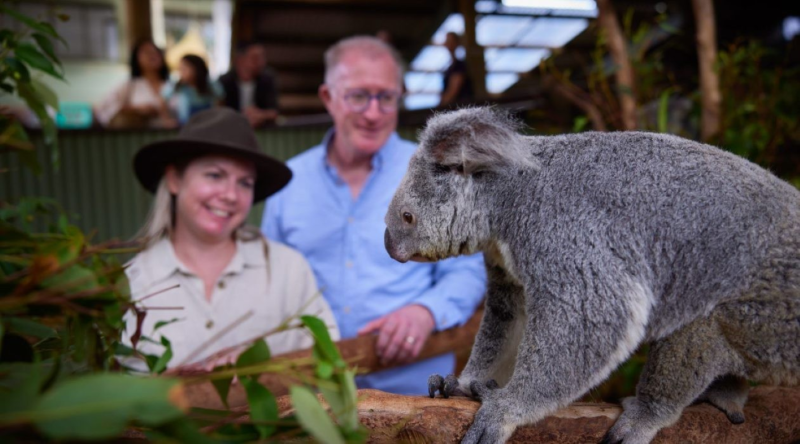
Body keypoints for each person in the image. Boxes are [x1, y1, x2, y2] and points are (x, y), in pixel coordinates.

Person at [261, 36, 486, 395]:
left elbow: (466, 269)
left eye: (386, 97)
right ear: (328, 98)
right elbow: (269, 284)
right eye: (358, 96)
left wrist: (427, 311)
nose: (372, 112)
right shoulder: (289, 184)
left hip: (413, 394)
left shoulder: (437, 174)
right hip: (315, 393)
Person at [123, 108, 339, 371]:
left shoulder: (287, 270)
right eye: (215, 175)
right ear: (174, 179)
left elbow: (330, 365)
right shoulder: (132, 283)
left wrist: (262, 368)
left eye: (245, 183)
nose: (230, 195)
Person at [95, 39, 175, 129]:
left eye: (156, 51)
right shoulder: (131, 85)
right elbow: (105, 106)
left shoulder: (172, 85)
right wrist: (136, 110)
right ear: (136, 59)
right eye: (147, 52)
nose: (153, 55)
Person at [218, 42, 278, 128]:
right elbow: (218, 111)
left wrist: (260, 115)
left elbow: (274, 111)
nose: (261, 62)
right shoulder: (224, 81)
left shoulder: (267, 79)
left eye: (262, 57)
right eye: (255, 58)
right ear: (240, 60)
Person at [162, 54, 224, 125]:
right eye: (180, 69)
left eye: (184, 69)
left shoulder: (211, 85)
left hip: (207, 125)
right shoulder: (178, 86)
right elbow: (162, 100)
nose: (181, 73)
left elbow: (220, 102)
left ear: (197, 69)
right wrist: (167, 120)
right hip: (185, 126)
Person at [439, 32, 474, 107]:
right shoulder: (450, 67)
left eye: (449, 41)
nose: (447, 43)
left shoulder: (459, 66)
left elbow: (453, 91)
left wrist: (440, 107)